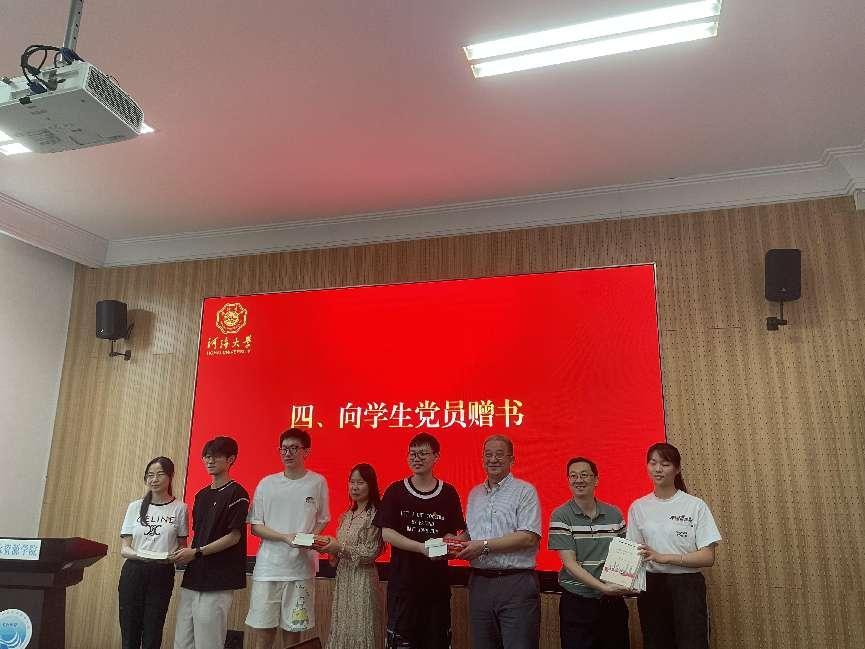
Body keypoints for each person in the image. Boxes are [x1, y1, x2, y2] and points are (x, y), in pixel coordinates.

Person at [373, 433, 466, 649]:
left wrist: (452, 543)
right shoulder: (396, 491)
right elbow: (387, 533)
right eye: (412, 454)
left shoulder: (448, 493)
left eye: (423, 453)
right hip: (403, 588)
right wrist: (421, 548)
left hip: (437, 589)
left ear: (436, 457)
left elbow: (455, 532)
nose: (417, 458)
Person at [626, 442, 721, 649]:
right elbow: (633, 553)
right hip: (652, 586)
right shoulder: (638, 507)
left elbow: (708, 557)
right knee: (656, 642)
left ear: (677, 469)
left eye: (665, 464)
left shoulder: (695, 505)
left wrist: (665, 557)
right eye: (653, 463)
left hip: (687, 585)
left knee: (692, 643)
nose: (658, 469)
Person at [245, 428, 331, 649]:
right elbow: (256, 526)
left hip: (300, 569)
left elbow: (323, 518)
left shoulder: (317, 482)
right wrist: (285, 537)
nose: (288, 453)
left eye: (294, 448)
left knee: (293, 632)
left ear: (306, 452)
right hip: (268, 569)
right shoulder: (266, 483)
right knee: (264, 633)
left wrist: (309, 538)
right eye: (284, 449)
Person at [455, 435, 542, 649]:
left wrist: (483, 546)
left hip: (516, 583)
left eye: (499, 454)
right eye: (488, 454)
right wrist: (452, 544)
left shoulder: (525, 491)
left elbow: (528, 537)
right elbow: (471, 534)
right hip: (479, 583)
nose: (493, 459)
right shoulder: (475, 494)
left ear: (512, 459)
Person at [170, 436, 250, 649]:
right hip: (193, 577)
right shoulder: (201, 495)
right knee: (182, 641)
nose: (209, 460)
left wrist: (196, 552)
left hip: (218, 579)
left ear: (231, 459)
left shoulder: (237, 493)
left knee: (209, 642)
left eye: (216, 456)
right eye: (206, 456)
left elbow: (234, 537)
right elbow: (199, 534)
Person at [548, 457, 630, 649]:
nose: (579, 480)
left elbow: (625, 555)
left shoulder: (614, 514)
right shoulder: (561, 515)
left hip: (612, 602)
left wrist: (628, 583)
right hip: (577, 601)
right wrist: (602, 587)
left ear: (596, 480)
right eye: (573, 476)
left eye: (584, 475)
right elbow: (570, 563)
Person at [118, 456, 188, 649]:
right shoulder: (135, 507)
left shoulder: (180, 508)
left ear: (170, 477)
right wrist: (140, 555)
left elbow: (182, 545)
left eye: (159, 474)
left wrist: (176, 555)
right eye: (150, 475)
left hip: (162, 573)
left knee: (153, 629)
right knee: (129, 629)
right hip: (134, 571)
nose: (154, 479)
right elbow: (125, 548)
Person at [320, 463, 385, 649]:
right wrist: (328, 549)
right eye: (352, 482)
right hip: (344, 577)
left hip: (363, 579)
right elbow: (337, 557)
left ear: (371, 486)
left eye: (360, 483)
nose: (355, 487)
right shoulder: (346, 515)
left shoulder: (376, 515)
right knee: (343, 627)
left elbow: (371, 552)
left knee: (362, 628)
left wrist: (339, 547)